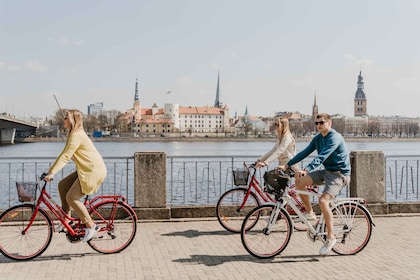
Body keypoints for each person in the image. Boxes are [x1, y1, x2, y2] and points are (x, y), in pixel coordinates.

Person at [283, 113, 350, 255]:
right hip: (327, 172)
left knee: (323, 201)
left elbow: (322, 155)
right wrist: (286, 165)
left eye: (321, 123)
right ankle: (310, 213)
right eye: (316, 123)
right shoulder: (318, 138)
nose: (319, 125)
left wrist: (307, 169)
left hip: (339, 175)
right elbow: (305, 152)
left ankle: (331, 238)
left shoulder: (334, 137)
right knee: (299, 182)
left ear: (329, 124)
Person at [45, 109, 107, 242]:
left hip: (92, 170)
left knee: (71, 197)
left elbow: (66, 157)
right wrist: (50, 171)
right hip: (85, 169)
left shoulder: (77, 135)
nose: (64, 120)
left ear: (74, 120)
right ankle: (67, 220)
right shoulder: (74, 134)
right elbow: (63, 154)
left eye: (66, 118)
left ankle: (91, 225)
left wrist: (52, 173)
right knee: (62, 186)